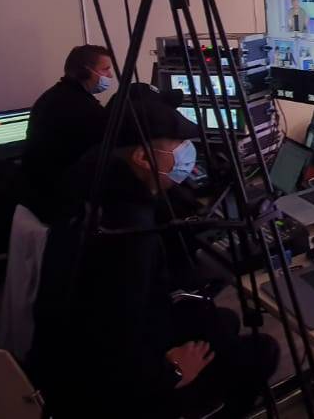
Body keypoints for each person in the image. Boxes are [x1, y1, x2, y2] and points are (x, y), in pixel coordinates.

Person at [29, 85, 278, 419]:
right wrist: (172, 373)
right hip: (114, 391)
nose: (189, 154)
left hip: (72, 359)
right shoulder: (128, 232)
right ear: (143, 157)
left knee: (223, 320)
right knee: (263, 350)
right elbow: (110, 341)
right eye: (179, 146)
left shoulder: (95, 185)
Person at [19, 45, 114, 222]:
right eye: (105, 69)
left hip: (37, 192)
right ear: (85, 71)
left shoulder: (54, 95)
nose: (110, 75)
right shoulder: (81, 107)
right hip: (60, 200)